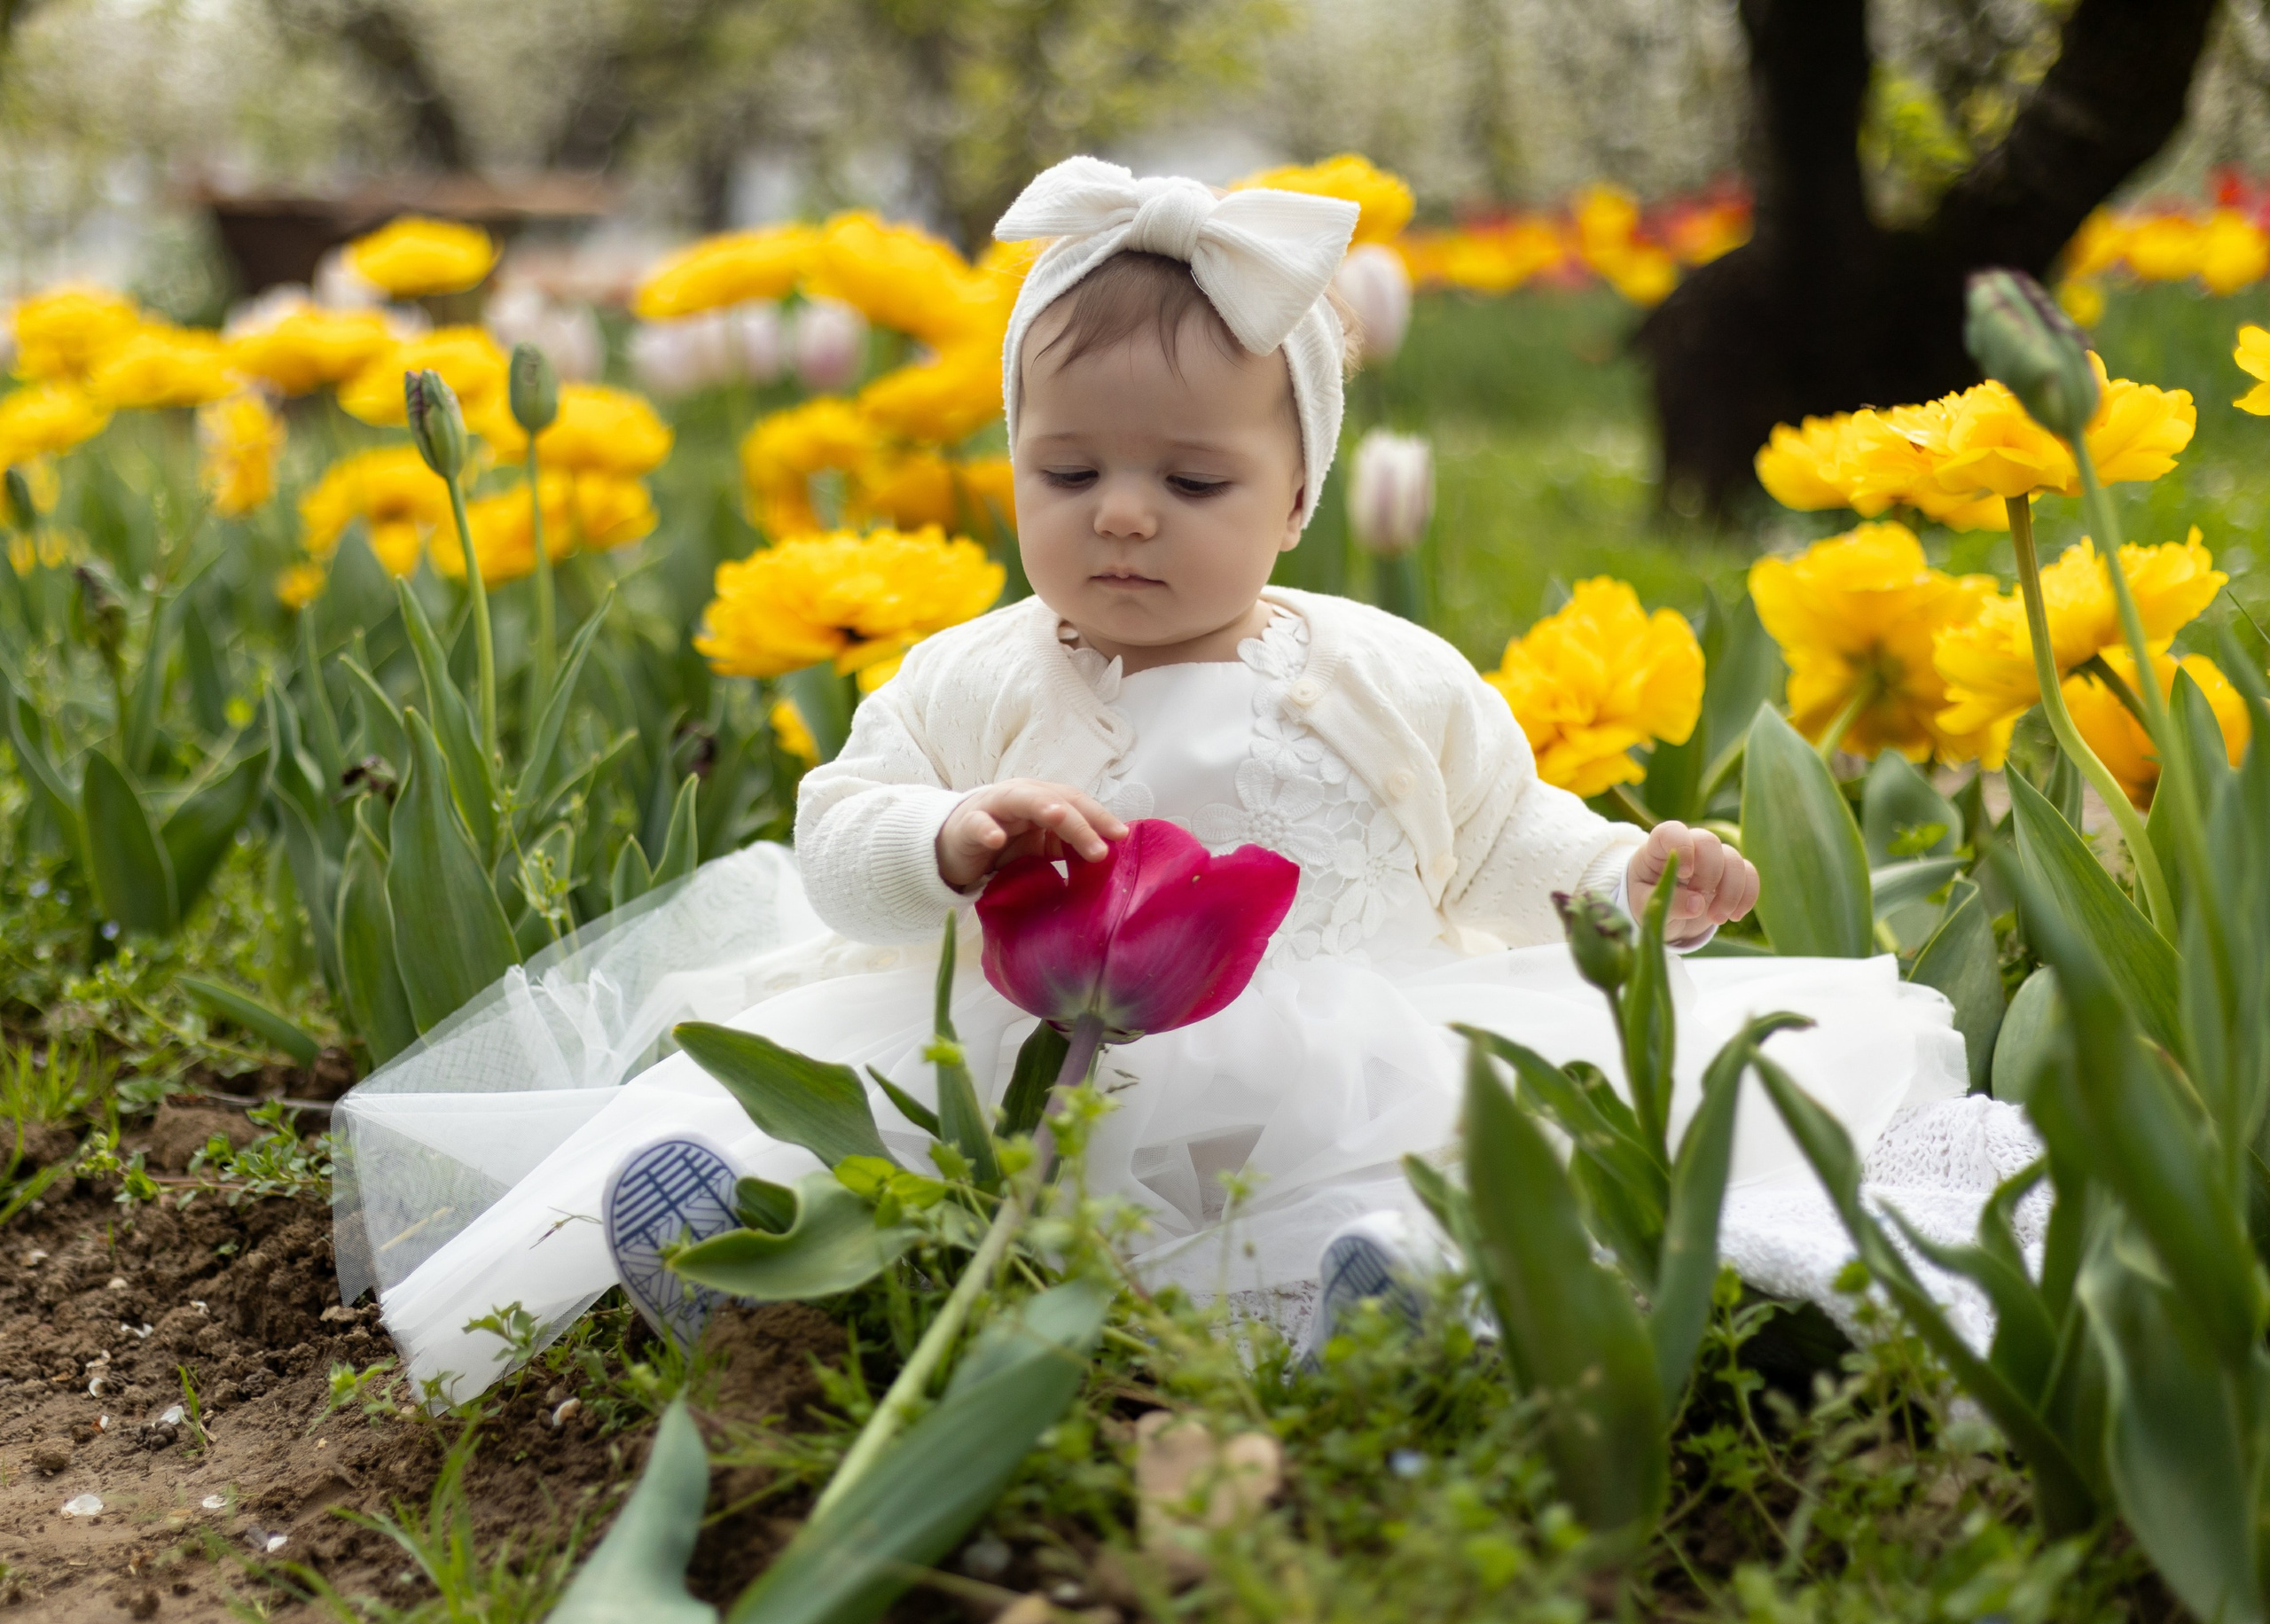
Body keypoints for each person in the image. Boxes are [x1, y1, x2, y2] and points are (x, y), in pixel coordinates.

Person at [334, 160, 2000, 1403]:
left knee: (1430, 1177)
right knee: (834, 1126)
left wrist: (1630, 879)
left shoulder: (1379, 672)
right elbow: (831, 833)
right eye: (1069, 470)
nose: (1122, 513)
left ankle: (1378, 1304)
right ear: (1015, 469)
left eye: (1191, 478)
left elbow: (1507, 836)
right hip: (1011, 1058)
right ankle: (726, 1256)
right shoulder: (978, 672)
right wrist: (948, 839)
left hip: (1351, 1050)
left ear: (1294, 501)